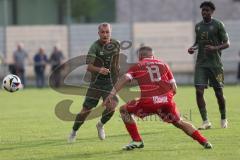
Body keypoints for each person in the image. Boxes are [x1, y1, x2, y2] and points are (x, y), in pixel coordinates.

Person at [104, 46, 212, 150]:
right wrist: (162, 100)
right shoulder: (164, 65)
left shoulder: (138, 65)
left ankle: (137, 140)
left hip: (148, 103)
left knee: (123, 110)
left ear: (140, 56)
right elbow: (174, 89)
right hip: (166, 102)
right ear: (153, 55)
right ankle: (204, 141)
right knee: (179, 122)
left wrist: (111, 94)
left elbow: (124, 78)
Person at [68, 23, 121, 142]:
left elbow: (116, 63)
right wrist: (100, 70)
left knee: (112, 107)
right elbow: (89, 67)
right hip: (96, 83)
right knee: (85, 111)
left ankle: (100, 125)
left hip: (109, 82)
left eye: (107, 32)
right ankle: (74, 131)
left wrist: (117, 77)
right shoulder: (95, 47)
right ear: (99, 33)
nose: (105, 34)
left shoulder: (116, 44)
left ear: (110, 33)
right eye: (102, 32)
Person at [187, 1, 230, 130]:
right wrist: (192, 48)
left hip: (215, 65)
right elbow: (197, 43)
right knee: (199, 91)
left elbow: (227, 43)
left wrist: (215, 48)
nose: (204, 12)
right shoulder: (198, 26)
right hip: (201, 64)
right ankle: (206, 121)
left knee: (219, 93)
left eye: (207, 10)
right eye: (203, 10)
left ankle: (223, 118)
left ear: (212, 11)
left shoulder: (218, 25)